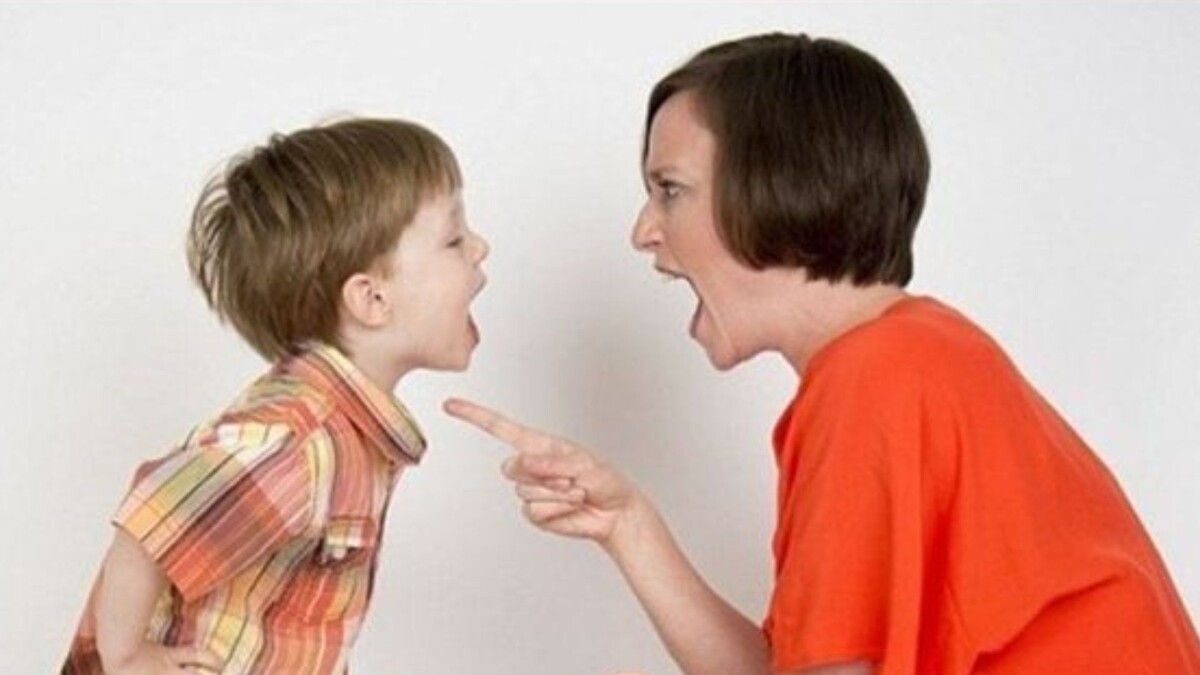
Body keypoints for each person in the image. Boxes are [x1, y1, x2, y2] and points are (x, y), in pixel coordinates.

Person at [445, 33, 1200, 674]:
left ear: (779, 186)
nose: (643, 230)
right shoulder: (915, 353)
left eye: (669, 189)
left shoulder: (874, 379)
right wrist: (628, 526)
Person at [62, 117, 489, 674]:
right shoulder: (301, 442)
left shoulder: (346, 437)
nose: (480, 248)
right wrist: (123, 656)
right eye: (454, 240)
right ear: (371, 299)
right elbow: (151, 522)